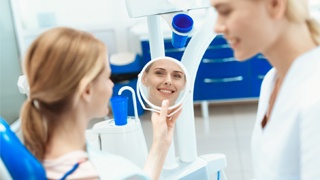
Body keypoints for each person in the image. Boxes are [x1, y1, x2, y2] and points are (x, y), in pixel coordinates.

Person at [20, 27, 181, 180]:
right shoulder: (87, 174)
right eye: (107, 77)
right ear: (87, 91)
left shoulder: (41, 149)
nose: (111, 85)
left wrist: (160, 143)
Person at [211, 0, 320, 179]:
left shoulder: (315, 98)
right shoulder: (272, 80)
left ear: (275, 5)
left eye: (226, 11)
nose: (217, 27)